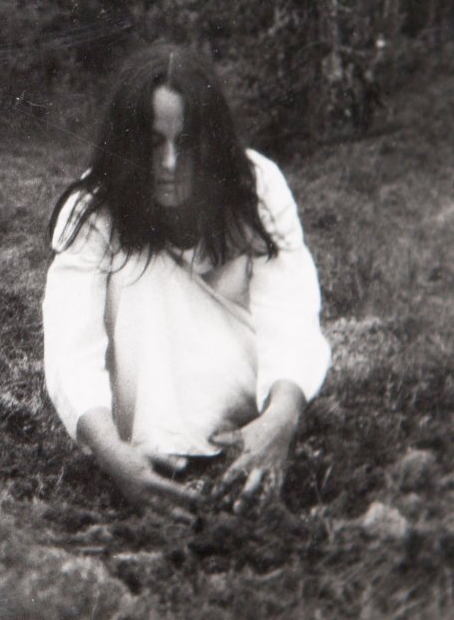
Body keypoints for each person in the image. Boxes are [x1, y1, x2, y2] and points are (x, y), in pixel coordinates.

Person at [42, 44, 330, 514]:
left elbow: (291, 309)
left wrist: (281, 416)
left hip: (245, 417)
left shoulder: (256, 186)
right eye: (154, 143)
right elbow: (70, 347)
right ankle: (157, 451)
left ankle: (243, 441)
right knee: (137, 274)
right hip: (136, 432)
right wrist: (111, 453)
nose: (171, 163)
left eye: (187, 142)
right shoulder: (94, 207)